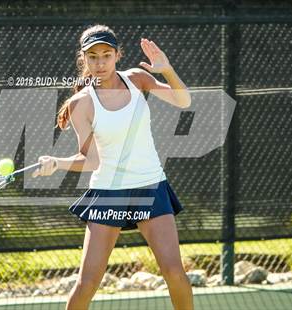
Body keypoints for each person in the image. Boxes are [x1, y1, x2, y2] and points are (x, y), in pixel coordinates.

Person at [32, 24, 194, 310]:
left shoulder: (138, 79)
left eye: (106, 55)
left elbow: (184, 100)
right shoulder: (82, 104)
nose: (100, 63)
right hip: (109, 193)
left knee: (174, 273)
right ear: (83, 59)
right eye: (93, 57)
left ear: (118, 55)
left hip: (151, 188)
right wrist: (57, 163)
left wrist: (166, 69)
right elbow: (92, 160)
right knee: (88, 284)